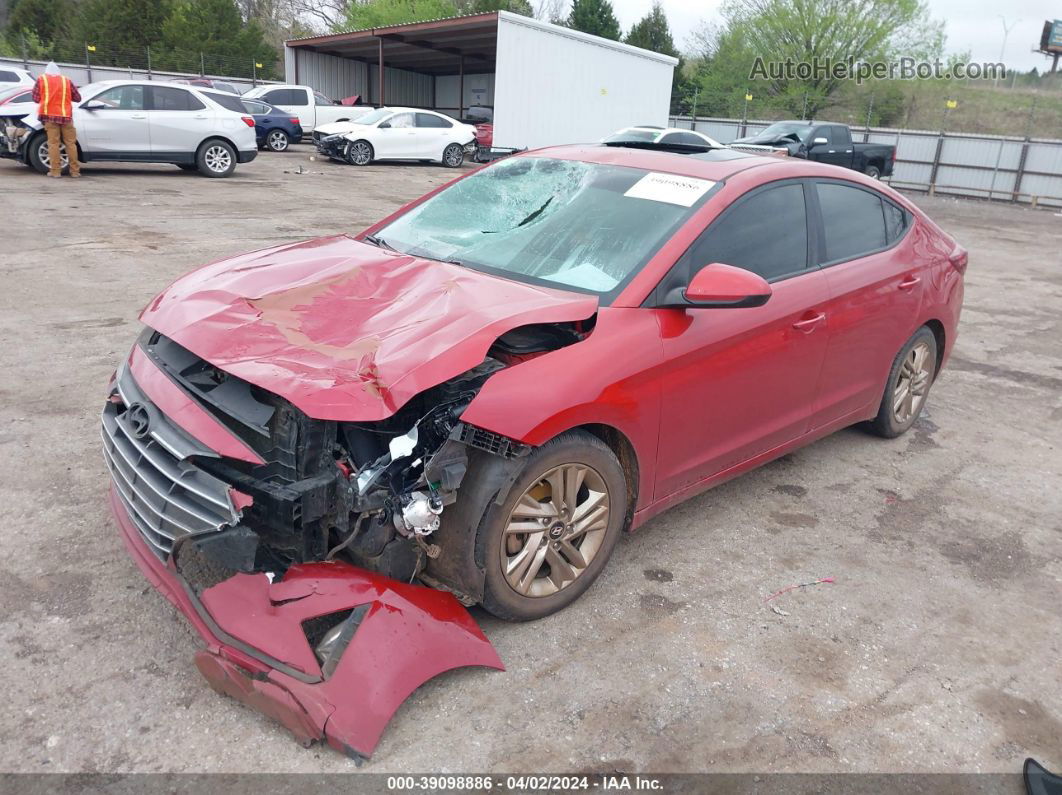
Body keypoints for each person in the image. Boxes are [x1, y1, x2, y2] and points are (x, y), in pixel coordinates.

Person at [32, 62, 81, 178]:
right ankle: (75, 172)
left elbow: (35, 98)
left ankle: (55, 171)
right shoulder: (66, 80)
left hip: (49, 117)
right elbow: (78, 98)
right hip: (66, 117)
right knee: (71, 144)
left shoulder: (41, 79)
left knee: (53, 144)